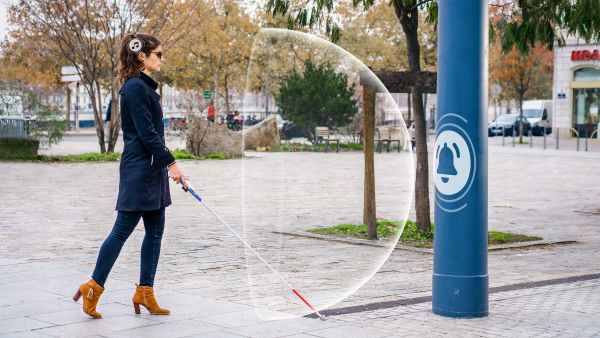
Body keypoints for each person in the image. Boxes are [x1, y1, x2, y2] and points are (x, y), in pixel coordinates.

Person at [73, 33, 187, 319]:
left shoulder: (146, 87)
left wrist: (165, 165)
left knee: (155, 232)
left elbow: (153, 134)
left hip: (152, 170)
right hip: (139, 171)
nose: (162, 59)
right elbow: (147, 133)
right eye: (158, 54)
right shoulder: (135, 87)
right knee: (122, 229)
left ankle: (145, 292)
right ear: (141, 56)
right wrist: (171, 163)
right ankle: (93, 287)